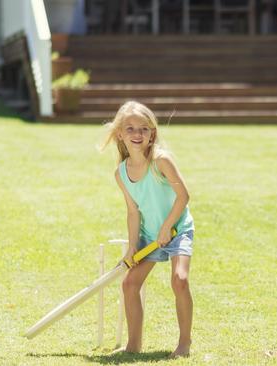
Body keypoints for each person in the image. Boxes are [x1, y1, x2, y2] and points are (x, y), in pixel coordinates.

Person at [101, 101, 195, 358]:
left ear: (152, 132)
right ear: (120, 133)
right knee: (130, 283)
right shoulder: (121, 173)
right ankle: (134, 345)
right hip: (150, 236)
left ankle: (184, 343)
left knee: (180, 280)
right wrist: (133, 246)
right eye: (130, 128)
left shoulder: (161, 160)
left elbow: (183, 196)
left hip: (177, 229)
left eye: (144, 128)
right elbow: (133, 212)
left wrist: (167, 228)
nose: (137, 134)